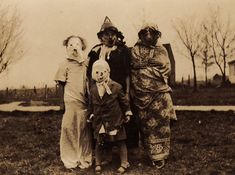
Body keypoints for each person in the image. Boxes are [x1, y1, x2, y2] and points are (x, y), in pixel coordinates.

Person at [87, 16, 139, 149]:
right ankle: (105, 151)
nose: (110, 37)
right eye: (106, 34)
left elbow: (128, 73)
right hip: (101, 92)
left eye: (113, 34)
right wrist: (92, 92)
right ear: (101, 37)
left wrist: (127, 93)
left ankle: (127, 151)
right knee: (103, 119)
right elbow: (90, 75)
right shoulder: (95, 52)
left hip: (119, 91)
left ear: (117, 35)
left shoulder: (123, 50)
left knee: (125, 119)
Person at [130, 24, 177, 169]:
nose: (148, 36)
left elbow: (165, 68)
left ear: (157, 34)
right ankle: (151, 155)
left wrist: (147, 68)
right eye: (145, 33)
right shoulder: (135, 50)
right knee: (146, 127)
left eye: (152, 33)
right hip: (141, 95)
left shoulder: (161, 49)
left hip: (159, 94)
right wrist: (148, 67)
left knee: (161, 126)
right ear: (141, 34)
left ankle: (161, 156)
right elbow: (133, 66)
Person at [87, 60, 132, 174]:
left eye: (103, 72)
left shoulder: (116, 86)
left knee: (120, 140)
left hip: (114, 119)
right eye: (97, 73)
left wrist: (127, 112)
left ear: (108, 72)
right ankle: (98, 162)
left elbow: (124, 102)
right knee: (100, 141)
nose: (100, 75)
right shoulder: (93, 89)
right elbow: (91, 104)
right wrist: (90, 114)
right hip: (100, 119)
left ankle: (124, 162)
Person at [54, 35, 92, 170]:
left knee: (83, 129)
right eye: (70, 45)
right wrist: (61, 103)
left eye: (76, 44)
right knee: (69, 128)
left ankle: (84, 157)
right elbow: (61, 84)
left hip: (84, 101)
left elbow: (90, 81)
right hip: (70, 101)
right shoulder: (64, 64)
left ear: (82, 46)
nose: (74, 48)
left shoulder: (86, 63)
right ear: (66, 47)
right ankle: (70, 158)